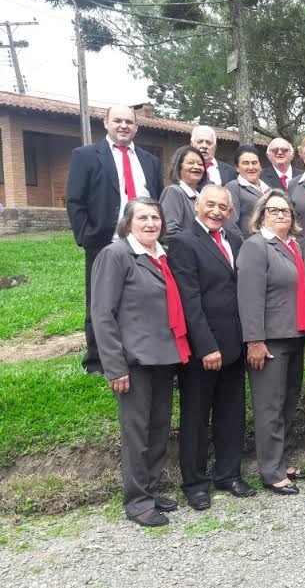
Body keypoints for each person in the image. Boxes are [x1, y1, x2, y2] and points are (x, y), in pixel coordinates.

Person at [90, 198, 190, 527]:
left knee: (158, 429)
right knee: (136, 433)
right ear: (127, 223)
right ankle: (137, 501)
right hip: (133, 362)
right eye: (143, 218)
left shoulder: (163, 256)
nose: (150, 223)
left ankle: (150, 489)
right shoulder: (116, 255)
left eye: (155, 218)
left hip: (164, 357)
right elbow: (102, 314)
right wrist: (114, 366)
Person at [167, 185, 255, 511]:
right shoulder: (183, 243)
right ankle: (195, 483)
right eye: (210, 205)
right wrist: (206, 346)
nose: (217, 212)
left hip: (234, 344)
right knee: (196, 418)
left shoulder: (235, 240)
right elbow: (188, 300)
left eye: (223, 207)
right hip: (203, 349)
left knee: (232, 414)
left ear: (230, 213)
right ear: (197, 207)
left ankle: (228, 474)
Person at [67, 105, 163, 375]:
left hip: (144, 242)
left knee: (146, 298)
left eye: (129, 122)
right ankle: (97, 360)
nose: (123, 126)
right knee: (100, 301)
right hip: (104, 241)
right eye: (118, 120)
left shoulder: (149, 161)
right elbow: (75, 201)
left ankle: (143, 350)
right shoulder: (86, 156)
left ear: (136, 127)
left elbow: (157, 198)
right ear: (106, 123)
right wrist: (87, 238)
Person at [237, 190, 305, 495]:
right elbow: (249, 296)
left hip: (294, 335)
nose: (280, 215)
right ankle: (270, 470)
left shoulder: (293, 246)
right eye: (273, 210)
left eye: (285, 211)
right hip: (269, 342)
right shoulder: (256, 246)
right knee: (269, 407)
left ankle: (282, 460)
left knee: (287, 403)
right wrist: (254, 340)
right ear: (261, 215)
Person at [159, 146, 208, 240]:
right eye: (190, 163)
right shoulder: (174, 192)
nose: (197, 167)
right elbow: (169, 232)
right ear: (178, 167)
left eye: (200, 164)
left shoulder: (200, 196)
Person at [225, 145, 270, 239]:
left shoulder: (268, 189)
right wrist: (243, 244)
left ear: (260, 166)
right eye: (245, 163)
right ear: (237, 167)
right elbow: (230, 223)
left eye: (254, 163)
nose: (251, 167)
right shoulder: (233, 187)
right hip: (251, 243)